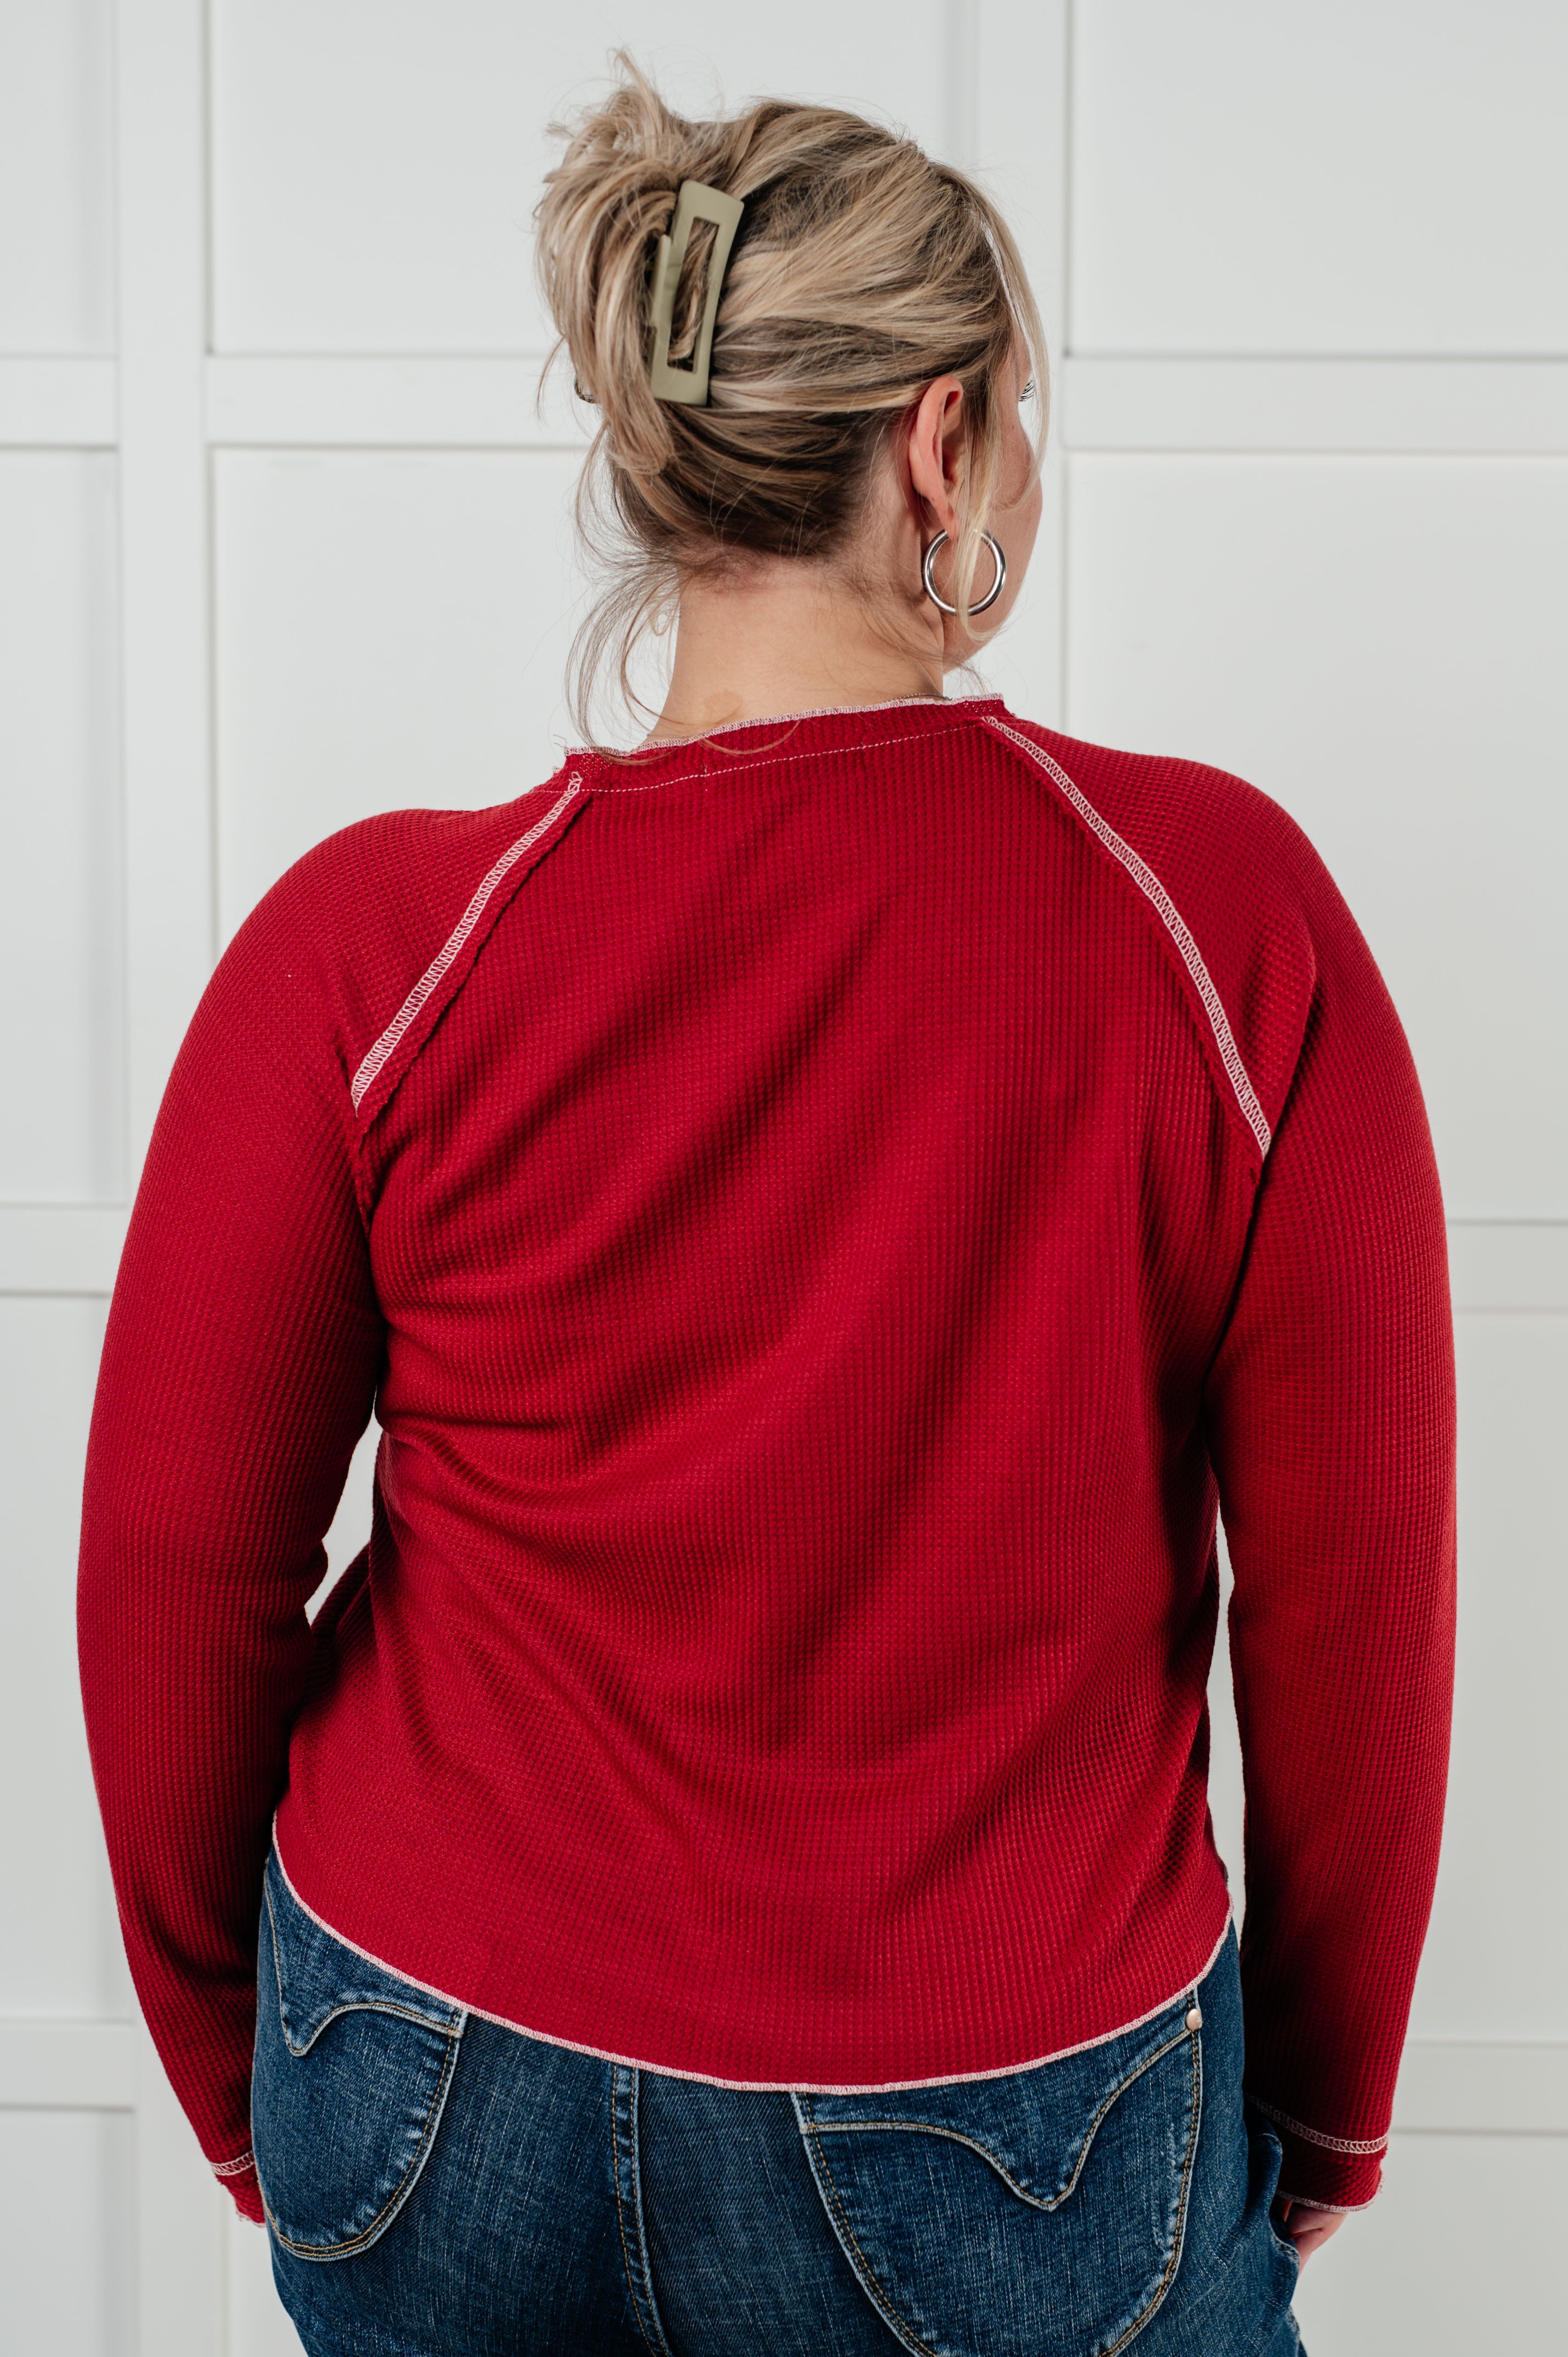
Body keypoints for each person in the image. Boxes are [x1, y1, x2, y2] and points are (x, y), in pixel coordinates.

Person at [78, 56, 1456, 2357]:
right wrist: (1322, 2120)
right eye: (1013, 422)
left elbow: (172, 1566)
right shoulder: (1221, 920)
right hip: (1011, 2116)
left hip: (423, 2060)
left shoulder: (379, 945)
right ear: (938, 440)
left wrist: (266, 2074)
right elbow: (1360, 1612)